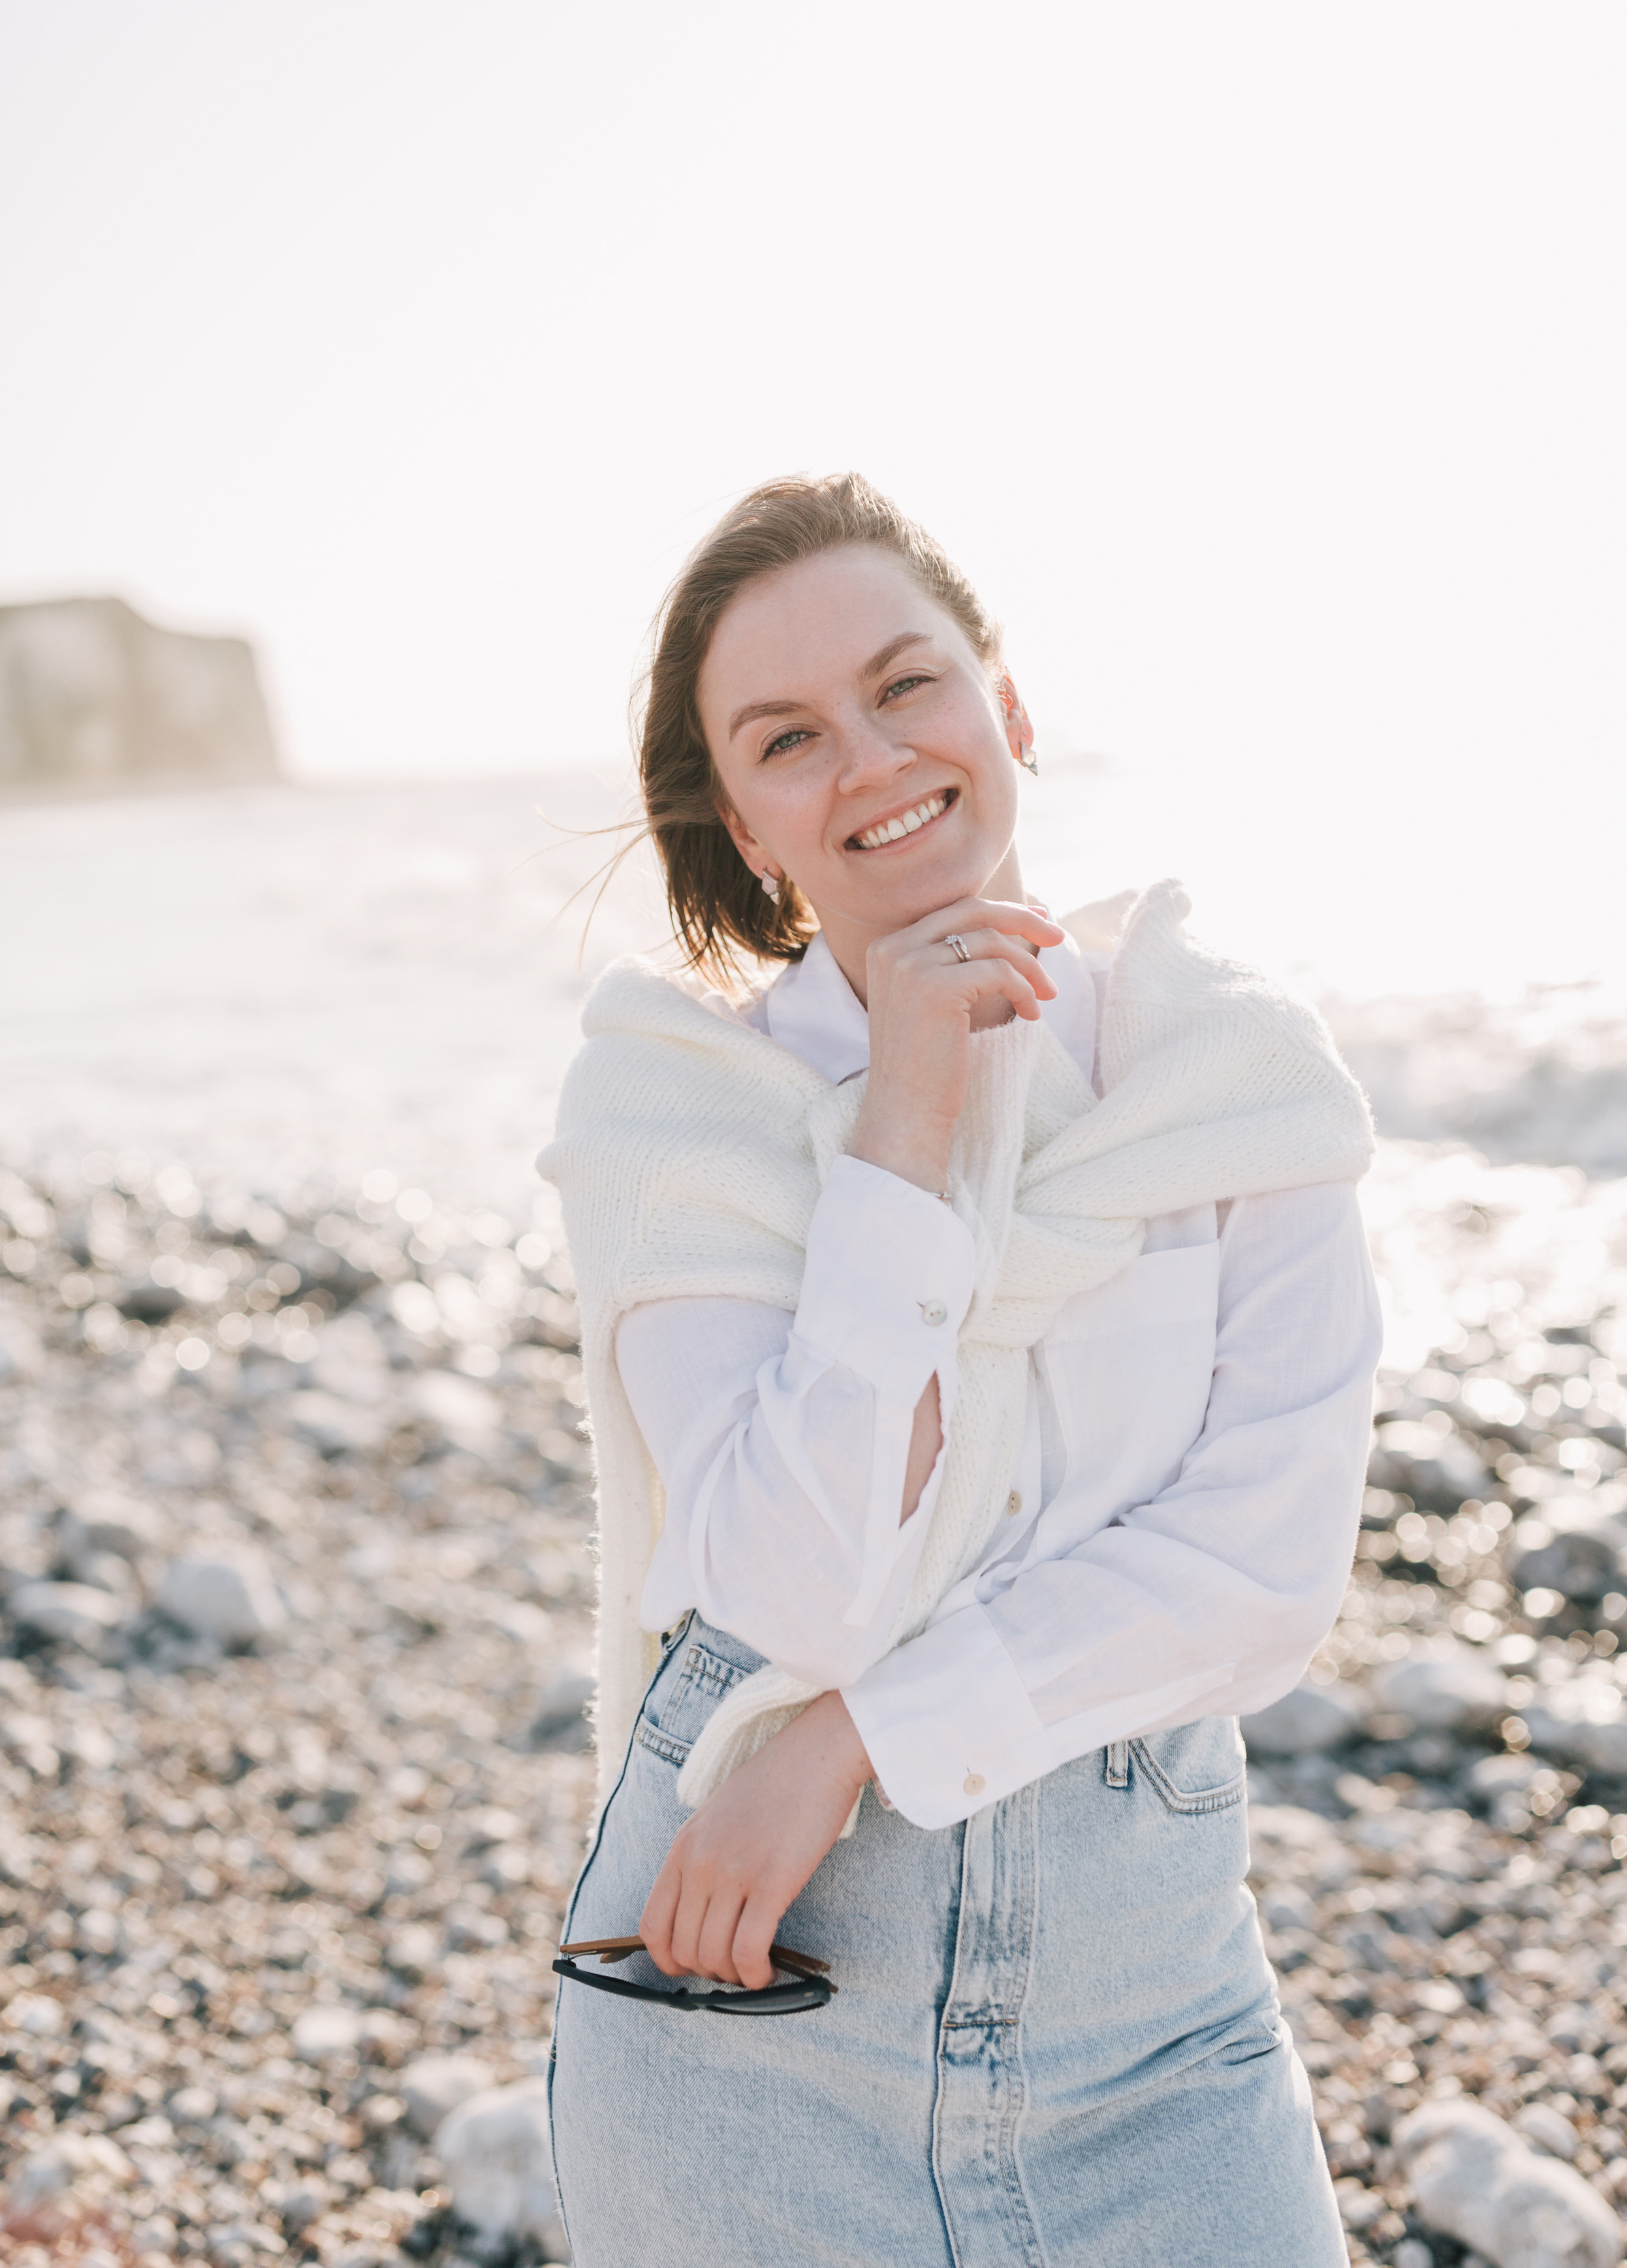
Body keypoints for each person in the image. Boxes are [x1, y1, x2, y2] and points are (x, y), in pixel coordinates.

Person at [541, 473, 1380, 2267]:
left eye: (906, 687)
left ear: (1007, 708)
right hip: (749, 2033)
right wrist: (905, 1115)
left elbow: (1264, 1573)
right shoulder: (675, 1119)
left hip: (1154, 2035)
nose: (867, 757)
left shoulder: (1226, 1068)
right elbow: (796, 1586)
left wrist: (860, 1738)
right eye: (787, 738)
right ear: (749, 829)